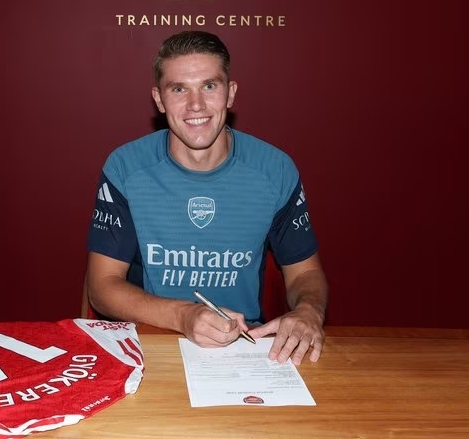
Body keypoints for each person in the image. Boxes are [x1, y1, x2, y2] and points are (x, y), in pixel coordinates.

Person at [85, 30, 328, 364]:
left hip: (245, 349)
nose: (196, 105)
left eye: (210, 86)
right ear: (159, 100)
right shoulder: (125, 167)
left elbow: (304, 274)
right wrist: (184, 315)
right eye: (179, 89)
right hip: (151, 345)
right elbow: (101, 286)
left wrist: (309, 311)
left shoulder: (275, 170)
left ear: (231, 93)